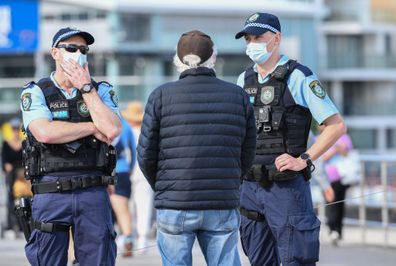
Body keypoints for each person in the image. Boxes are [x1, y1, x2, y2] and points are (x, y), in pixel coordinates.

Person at [235, 13, 346, 265]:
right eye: (248, 39)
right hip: (250, 187)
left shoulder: (299, 76)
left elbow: (336, 126)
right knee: (258, 260)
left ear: (276, 39)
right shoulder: (244, 79)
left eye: (258, 37)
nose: (252, 43)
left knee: (296, 259)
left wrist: (304, 159)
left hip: (286, 188)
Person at [137, 30, 256, 266]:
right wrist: (231, 181)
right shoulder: (238, 96)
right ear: (213, 58)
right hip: (221, 201)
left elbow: (145, 154)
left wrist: (164, 186)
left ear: (177, 60)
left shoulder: (160, 96)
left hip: (174, 202)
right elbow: (248, 151)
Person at [20, 27, 121, 266]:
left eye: (83, 49)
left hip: (93, 190)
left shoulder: (101, 90)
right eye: (71, 48)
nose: (78, 53)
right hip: (51, 191)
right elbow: (44, 132)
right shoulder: (36, 92)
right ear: (55, 53)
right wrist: (91, 128)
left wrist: (86, 89)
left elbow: (112, 130)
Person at [122, 101, 154, 254]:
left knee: (128, 207)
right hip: (143, 173)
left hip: (127, 172)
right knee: (144, 205)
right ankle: (143, 238)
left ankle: (128, 236)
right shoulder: (147, 131)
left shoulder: (124, 130)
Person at [109, 117, 136, 257]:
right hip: (123, 170)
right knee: (123, 210)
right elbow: (133, 150)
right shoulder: (126, 125)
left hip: (108, 172)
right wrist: (130, 168)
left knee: (107, 211)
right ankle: (128, 238)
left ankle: (109, 241)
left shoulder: (102, 121)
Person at [322, 133, 354, 246]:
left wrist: (338, 149)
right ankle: (332, 230)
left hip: (342, 178)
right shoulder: (320, 137)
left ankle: (338, 232)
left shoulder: (344, 137)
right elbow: (322, 158)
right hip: (327, 179)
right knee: (331, 204)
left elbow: (347, 153)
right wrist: (335, 150)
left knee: (340, 205)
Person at [1, 117, 23, 236]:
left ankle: (23, 225)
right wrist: (7, 165)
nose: (15, 131)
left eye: (16, 129)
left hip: (23, 176)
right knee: (10, 199)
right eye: (13, 129)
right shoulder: (6, 143)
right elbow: (4, 161)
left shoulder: (23, 143)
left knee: (26, 199)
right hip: (12, 176)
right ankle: (11, 225)